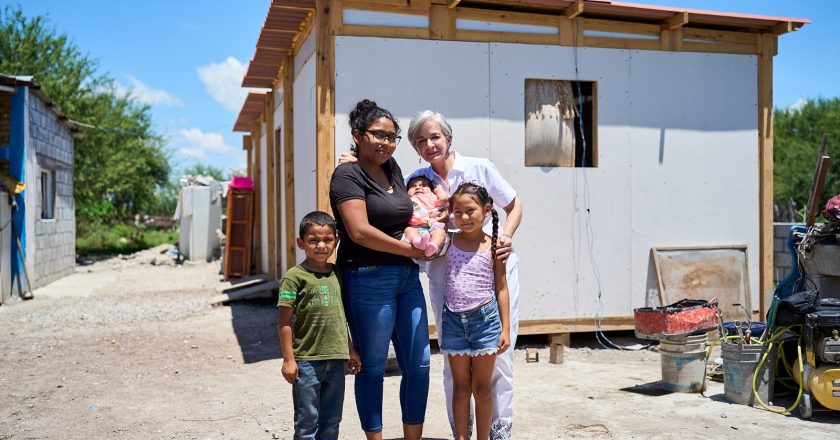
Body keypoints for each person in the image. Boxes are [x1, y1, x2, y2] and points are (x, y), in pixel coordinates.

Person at [339, 109, 523, 439]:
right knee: (453, 363)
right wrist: (352, 156)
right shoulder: (415, 178)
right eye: (420, 141)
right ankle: (461, 433)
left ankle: (498, 432)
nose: (429, 144)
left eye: (435, 137)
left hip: (490, 268)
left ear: (449, 138)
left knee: (499, 362)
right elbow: (388, 193)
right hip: (447, 278)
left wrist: (505, 236)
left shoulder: (478, 167)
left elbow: (514, 205)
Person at [328, 99, 431, 440]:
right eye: (379, 135)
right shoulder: (347, 174)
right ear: (357, 135)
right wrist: (409, 249)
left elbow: (407, 210)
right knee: (372, 367)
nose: (387, 143)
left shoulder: (392, 168)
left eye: (393, 136)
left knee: (418, 365)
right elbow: (358, 231)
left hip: (406, 277)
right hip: (368, 276)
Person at [277, 210, 362, 440]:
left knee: (332, 420)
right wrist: (288, 359)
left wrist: (350, 349)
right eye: (313, 240)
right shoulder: (294, 277)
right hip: (307, 361)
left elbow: (340, 316)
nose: (321, 246)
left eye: (327, 240)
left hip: (336, 359)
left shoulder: (337, 273)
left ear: (336, 241)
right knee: (307, 422)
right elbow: (284, 320)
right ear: (301, 243)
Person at [441, 182, 511, 440]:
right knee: (460, 388)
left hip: (486, 323)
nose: (464, 217)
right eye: (458, 212)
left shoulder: (494, 247)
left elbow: (502, 288)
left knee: (482, 388)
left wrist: (505, 328)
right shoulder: (447, 241)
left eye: (470, 210)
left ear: (487, 209)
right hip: (453, 322)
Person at [404, 175, 448, 257]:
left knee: (440, 232)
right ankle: (418, 241)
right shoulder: (407, 199)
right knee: (408, 231)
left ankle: (434, 245)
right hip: (415, 227)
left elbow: (444, 200)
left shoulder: (432, 197)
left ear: (432, 190)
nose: (418, 188)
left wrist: (439, 189)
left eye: (423, 185)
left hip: (432, 225)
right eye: (413, 186)